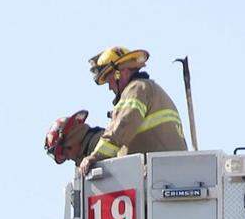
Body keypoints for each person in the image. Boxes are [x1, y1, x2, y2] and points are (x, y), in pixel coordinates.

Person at [44, 45, 187, 171]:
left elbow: (122, 126)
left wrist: (94, 157)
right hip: (170, 170)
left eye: (109, 80)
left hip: (157, 173)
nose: (110, 87)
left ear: (120, 72)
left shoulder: (135, 89)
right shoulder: (149, 89)